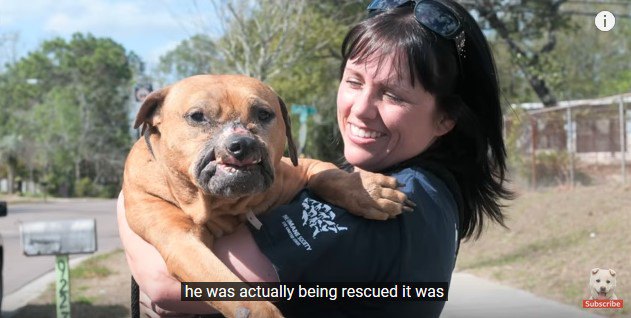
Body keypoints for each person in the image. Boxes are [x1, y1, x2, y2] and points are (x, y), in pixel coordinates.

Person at [117, 0, 512, 317]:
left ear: (446, 118)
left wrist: (130, 202)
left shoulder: (394, 201)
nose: (360, 109)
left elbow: (167, 287)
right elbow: (303, 170)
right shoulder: (419, 188)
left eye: (393, 95)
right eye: (354, 81)